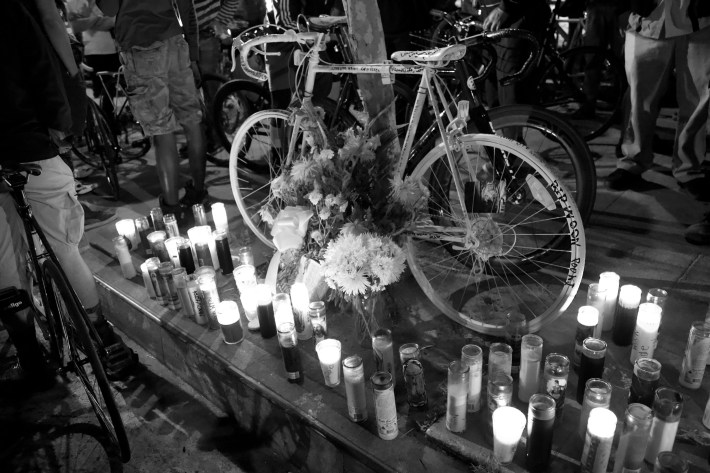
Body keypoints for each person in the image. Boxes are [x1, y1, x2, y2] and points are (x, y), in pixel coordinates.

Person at [0, 0, 133, 392]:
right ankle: (101, 334)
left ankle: (29, 354)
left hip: (21, 139)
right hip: (27, 141)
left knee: (4, 262)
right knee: (63, 246)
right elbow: (41, 57)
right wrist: (62, 121)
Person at [96, 0, 209, 219]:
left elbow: (108, 7)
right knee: (191, 119)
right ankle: (198, 194)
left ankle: (172, 209)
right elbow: (187, 7)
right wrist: (193, 53)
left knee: (161, 129)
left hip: (142, 44)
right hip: (176, 41)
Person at [606, 0, 710, 202]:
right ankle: (632, 160)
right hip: (646, 21)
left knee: (696, 102)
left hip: (700, 21)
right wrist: (623, 10)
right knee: (639, 99)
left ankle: (689, 168)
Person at [482, 0, 551, 107]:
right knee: (493, 92)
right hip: (493, 18)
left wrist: (505, 7)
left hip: (516, 16)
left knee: (511, 93)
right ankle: (501, 122)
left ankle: (515, 122)